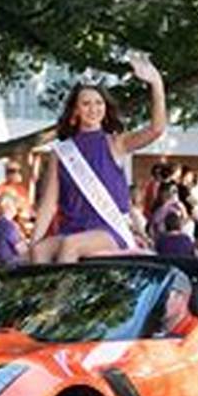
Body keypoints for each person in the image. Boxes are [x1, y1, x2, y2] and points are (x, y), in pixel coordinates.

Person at [30, 53, 167, 263]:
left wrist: (156, 83)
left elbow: (156, 129)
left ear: (105, 108)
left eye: (98, 103)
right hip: (73, 228)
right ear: (75, 110)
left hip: (108, 230)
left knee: (70, 245)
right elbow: (49, 203)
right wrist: (33, 243)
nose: (93, 109)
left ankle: (65, 297)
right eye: (86, 103)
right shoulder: (61, 152)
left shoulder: (116, 143)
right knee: (39, 252)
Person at [157, 270, 198, 337]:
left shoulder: (197, 332)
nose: (158, 302)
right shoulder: (148, 329)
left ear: (182, 298)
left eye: (163, 296)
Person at [0, 194, 25, 266]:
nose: (17, 209)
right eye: (15, 206)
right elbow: (20, 249)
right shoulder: (9, 225)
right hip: (10, 262)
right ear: (8, 207)